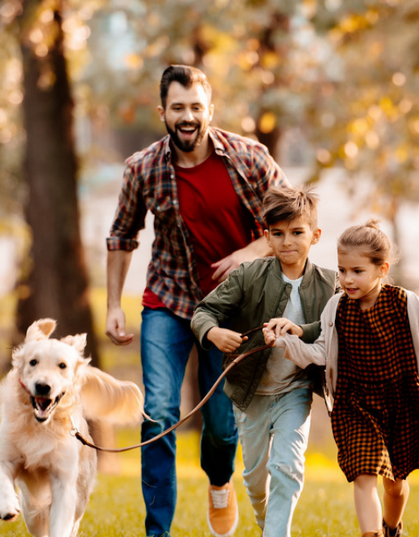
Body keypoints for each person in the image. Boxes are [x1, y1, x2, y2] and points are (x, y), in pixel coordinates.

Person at [105, 64, 290, 537]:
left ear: (210, 110)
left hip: (232, 310)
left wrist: (249, 252)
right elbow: (122, 237)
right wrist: (112, 305)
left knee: (223, 426)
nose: (187, 117)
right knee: (160, 414)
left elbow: (295, 220)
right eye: (178, 108)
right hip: (168, 302)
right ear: (162, 111)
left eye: (196, 108)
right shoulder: (142, 168)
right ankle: (157, 532)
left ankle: (219, 482)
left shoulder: (250, 158)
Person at [267, 220, 419, 537]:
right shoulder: (336, 308)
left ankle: (392, 527)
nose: (347, 279)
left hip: (401, 403)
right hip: (355, 405)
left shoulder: (408, 304)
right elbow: (321, 351)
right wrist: (286, 344)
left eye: (357, 271)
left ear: (382, 268)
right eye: (342, 270)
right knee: (363, 474)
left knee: (395, 485)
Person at [191, 185, 337, 537]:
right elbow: (203, 312)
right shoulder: (248, 275)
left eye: (297, 232)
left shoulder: (329, 284)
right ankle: (267, 523)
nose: (288, 242)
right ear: (267, 237)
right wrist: (214, 334)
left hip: (295, 390)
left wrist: (299, 330)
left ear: (315, 236)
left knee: (287, 466)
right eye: (278, 234)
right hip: (251, 394)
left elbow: (331, 328)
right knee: (256, 481)